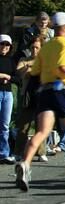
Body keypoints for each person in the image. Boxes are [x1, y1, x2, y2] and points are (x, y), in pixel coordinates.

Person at [16, 12, 65, 192]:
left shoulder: (46, 47)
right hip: (63, 90)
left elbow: (34, 72)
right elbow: (63, 67)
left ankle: (25, 163)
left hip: (45, 91)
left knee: (42, 131)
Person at [14, 38, 48, 162]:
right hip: (27, 96)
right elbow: (18, 74)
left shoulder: (44, 61)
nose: (34, 50)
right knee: (24, 125)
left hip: (41, 95)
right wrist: (29, 66)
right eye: (33, 47)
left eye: (37, 48)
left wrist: (32, 67)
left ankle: (41, 152)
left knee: (41, 126)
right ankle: (18, 152)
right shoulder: (24, 60)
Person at [0, 34, 18, 164]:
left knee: (5, 125)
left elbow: (18, 78)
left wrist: (8, 77)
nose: (4, 47)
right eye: (2, 44)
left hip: (8, 94)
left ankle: (4, 153)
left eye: (7, 45)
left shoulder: (11, 61)